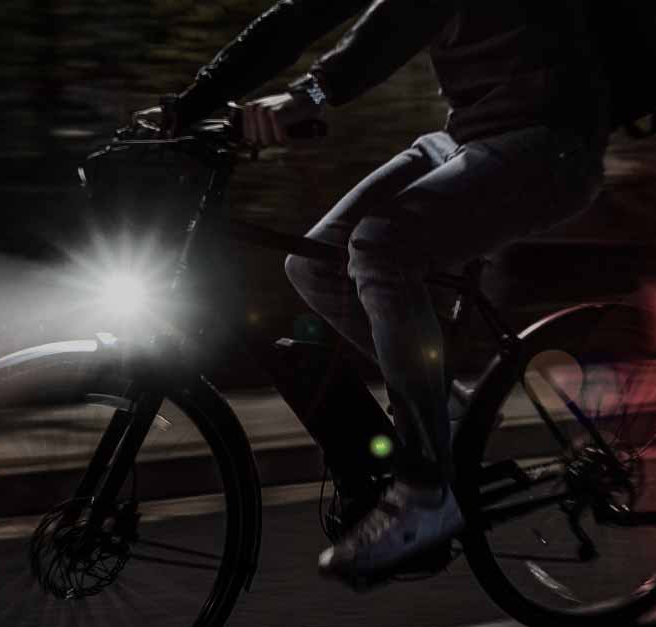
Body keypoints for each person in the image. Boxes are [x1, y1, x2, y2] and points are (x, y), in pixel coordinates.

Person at [144, 0, 610, 585]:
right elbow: (297, 19)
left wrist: (307, 96)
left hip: (550, 146)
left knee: (382, 249)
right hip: (466, 138)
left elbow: (396, 25)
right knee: (315, 265)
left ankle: (425, 491)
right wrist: (188, 105)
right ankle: (447, 407)